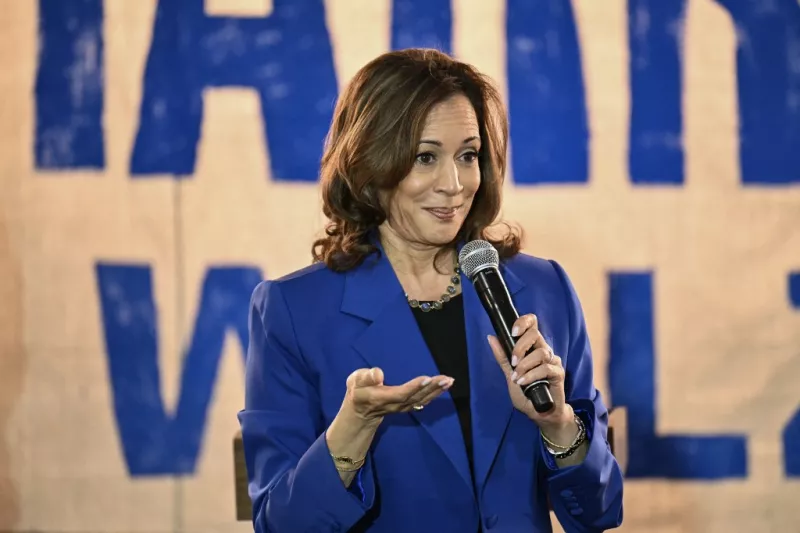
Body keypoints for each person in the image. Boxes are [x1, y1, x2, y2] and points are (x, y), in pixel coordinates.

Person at [238, 48, 624, 533]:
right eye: (426, 157)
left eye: (468, 155)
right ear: (372, 167)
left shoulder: (545, 290)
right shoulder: (292, 312)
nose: (455, 184)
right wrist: (351, 432)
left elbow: (600, 511)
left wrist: (558, 425)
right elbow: (281, 524)